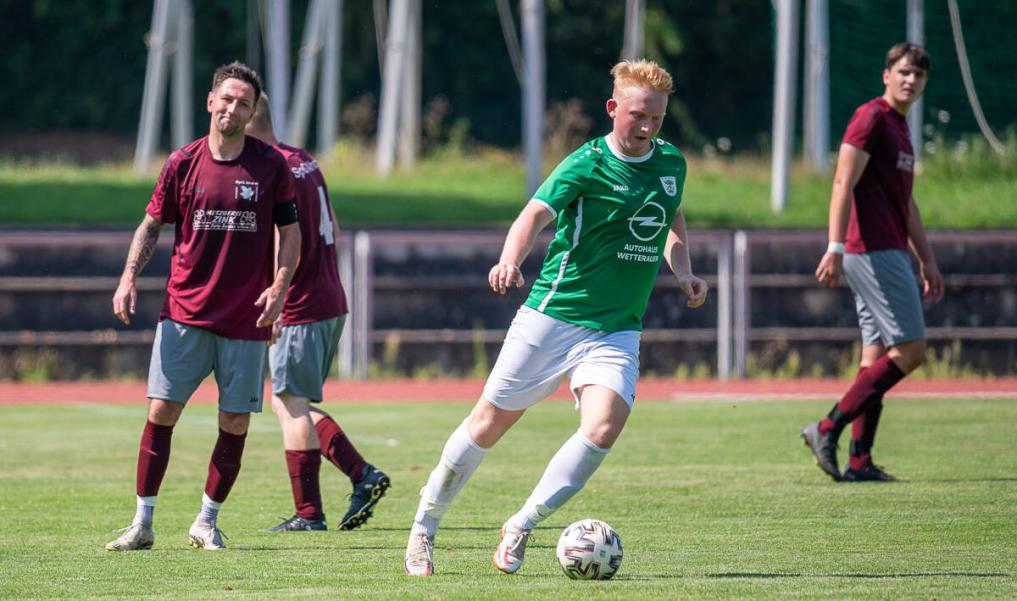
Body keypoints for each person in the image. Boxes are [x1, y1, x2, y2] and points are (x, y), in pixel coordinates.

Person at [403, 59, 709, 576]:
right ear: (613, 109)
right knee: (487, 424)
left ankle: (521, 524)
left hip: (617, 327)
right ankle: (424, 526)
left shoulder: (671, 163)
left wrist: (684, 272)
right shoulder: (586, 163)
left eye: (656, 118)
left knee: (605, 425)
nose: (647, 127)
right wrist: (509, 260)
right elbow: (534, 214)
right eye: (637, 115)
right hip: (553, 316)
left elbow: (671, 215)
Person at [106, 61, 301, 551]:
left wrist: (279, 287)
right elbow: (152, 225)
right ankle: (142, 524)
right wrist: (129, 276)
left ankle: (206, 521)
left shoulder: (271, 165)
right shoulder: (181, 162)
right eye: (227, 99)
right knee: (161, 411)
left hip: (245, 319)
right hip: (184, 314)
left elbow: (291, 232)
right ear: (210, 102)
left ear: (253, 111)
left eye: (243, 102)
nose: (233, 108)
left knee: (234, 422)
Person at [243, 95, 390, 532]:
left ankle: (316, 509)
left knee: (289, 405)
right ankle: (361, 477)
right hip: (329, 297)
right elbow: (335, 230)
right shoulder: (303, 159)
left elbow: (278, 239)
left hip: (301, 304)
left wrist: (276, 300)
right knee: (293, 403)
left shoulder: (270, 169)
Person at [803, 43, 944, 482]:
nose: (911, 80)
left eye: (918, 75)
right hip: (870, 250)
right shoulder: (871, 118)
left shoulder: (900, 128)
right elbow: (843, 181)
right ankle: (827, 427)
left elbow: (908, 205)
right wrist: (835, 247)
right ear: (886, 74)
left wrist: (927, 259)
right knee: (912, 350)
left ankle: (860, 460)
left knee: (877, 355)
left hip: (890, 249)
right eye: (903, 72)